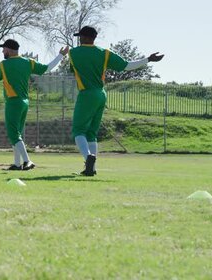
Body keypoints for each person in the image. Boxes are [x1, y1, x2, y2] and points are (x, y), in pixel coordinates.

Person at [69, 26, 164, 176]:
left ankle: (88, 159)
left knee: (78, 131)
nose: (79, 39)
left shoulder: (73, 53)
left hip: (86, 94)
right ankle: (91, 169)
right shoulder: (105, 53)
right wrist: (148, 59)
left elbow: (72, 70)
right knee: (91, 133)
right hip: (101, 94)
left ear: (86, 38)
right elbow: (126, 66)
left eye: (81, 37)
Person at [0, 39, 68, 170]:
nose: (2, 51)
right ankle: (17, 164)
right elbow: (47, 68)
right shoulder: (28, 62)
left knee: (13, 134)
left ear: (10, 50)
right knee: (17, 134)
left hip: (13, 101)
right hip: (24, 102)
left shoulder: (3, 64)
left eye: (4, 49)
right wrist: (61, 55)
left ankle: (27, 161)